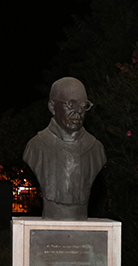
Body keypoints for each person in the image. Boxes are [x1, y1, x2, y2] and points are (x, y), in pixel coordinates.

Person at [23, 77, 107, 220]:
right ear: (52, 107)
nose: (78, 111)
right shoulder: (35, 147)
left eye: (83, 105)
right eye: (71, 104)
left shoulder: (96, 149)